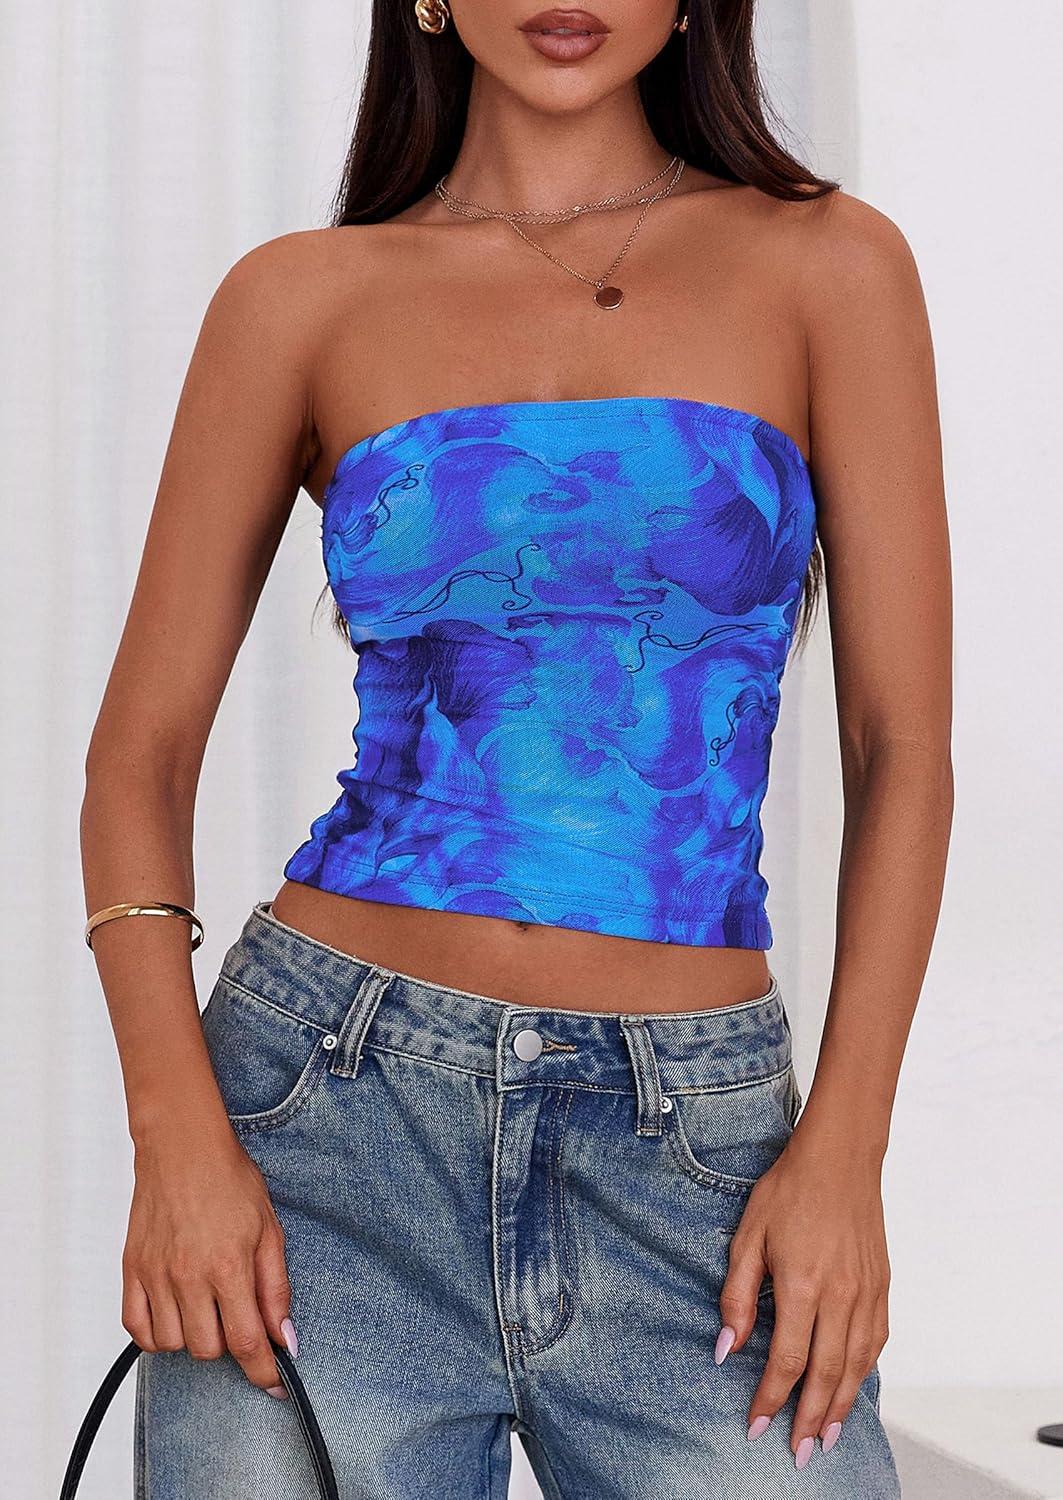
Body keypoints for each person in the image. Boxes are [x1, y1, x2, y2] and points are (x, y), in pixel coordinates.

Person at [81, 2, 952, 1495]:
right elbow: (137, 761)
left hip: (699, 1160)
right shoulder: (301, 299)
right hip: (324, 1125)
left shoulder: (830, 265)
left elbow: (902, 747)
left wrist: (845, 1156)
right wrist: (177, 1145)